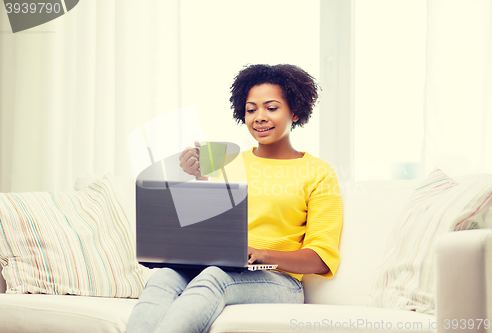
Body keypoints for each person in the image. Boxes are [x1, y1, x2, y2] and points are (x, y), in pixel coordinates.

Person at [126, 64, 342, 333]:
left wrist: (262, 254)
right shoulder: (226, 163)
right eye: (251, 109)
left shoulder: (319, 172)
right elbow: (205, 230)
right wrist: (194, 178)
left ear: (295, 111)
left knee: (214, 278)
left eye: (271, 108)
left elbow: (320, 258)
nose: (259, 117)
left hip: (278, 280)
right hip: (215, 267)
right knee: (164, 278)